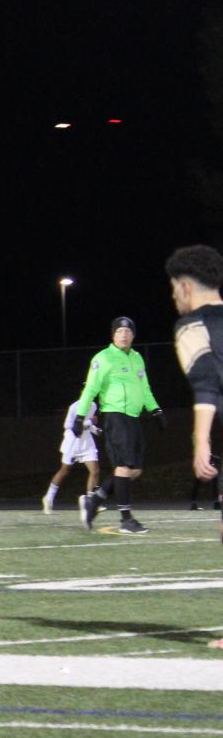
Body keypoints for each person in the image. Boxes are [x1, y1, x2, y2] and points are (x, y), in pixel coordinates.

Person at [166, 244, 223, 649]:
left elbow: (206, 382)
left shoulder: (191, 327)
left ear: (186, 286)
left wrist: (200, 439)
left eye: (173, 289)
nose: (172, 297)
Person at [75, 316, 163, 534]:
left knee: (134, 471)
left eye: (127, 331)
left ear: (133, 335)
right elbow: (91, 390)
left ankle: (94, 501)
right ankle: (126, 519)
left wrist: (156, 409)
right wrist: (79, 416)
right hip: (115, 416)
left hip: (134, 417)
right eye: (119, 331)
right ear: (113, 335)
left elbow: (145, 389)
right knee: (123, 466)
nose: (123, 335)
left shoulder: (137, 358)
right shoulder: (103, 358)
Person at [43, 400, 101, 513]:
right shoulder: (74, 407)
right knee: (64, 470)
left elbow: (89, 425)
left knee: (95, 470)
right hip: (73, 443)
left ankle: (91, 502)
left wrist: (95, 429)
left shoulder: (93, 406)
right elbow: (69, 426)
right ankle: (48, 498)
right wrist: (89, 422)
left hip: (86, 443)